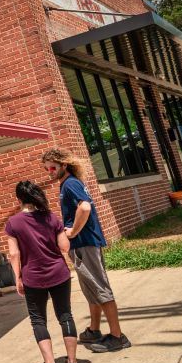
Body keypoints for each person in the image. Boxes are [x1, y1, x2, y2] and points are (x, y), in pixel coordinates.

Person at [42, 147, 131, 352]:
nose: (50, 172)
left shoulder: (71, 183)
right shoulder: (69, 183)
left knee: (99, 287)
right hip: (83, 244)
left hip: (85, 243)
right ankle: (94, 329)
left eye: (53, 167)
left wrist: (72, 231)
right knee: (92, 289)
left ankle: (118, 336)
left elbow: (85, 208)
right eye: (47, 169)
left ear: (64, 165)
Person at [6, 181, 79, 363]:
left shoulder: (13, 223)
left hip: (33, 277)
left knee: (38, 320)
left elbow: (13, 254)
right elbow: (64, 247)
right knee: (65, 315)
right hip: (59, 273)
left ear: (19, 199)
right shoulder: (51, 217)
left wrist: (17, 277)